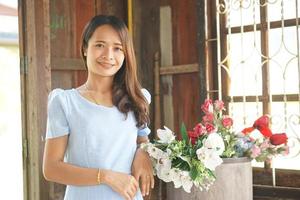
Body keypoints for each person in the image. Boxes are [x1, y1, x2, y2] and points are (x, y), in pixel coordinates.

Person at [43, 15, 154, 200]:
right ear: (85, 48)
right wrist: (106, 176)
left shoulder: (137, 98)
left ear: (125, 54)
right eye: (100, 45)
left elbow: (142, 140)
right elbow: (51, 168)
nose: (108, 55)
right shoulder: (65, 102)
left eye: (117, 48)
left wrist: (143, 152)